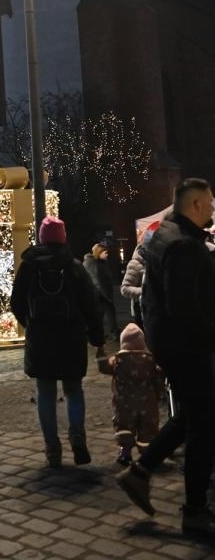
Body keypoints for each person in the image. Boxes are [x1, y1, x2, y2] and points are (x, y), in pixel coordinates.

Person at [116, 178, 215, 538]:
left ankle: (139, 473)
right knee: (204, 425)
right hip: (187, 346)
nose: (213, 207)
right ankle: (195, 510)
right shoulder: (183, 245)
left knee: (191, 415)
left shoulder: (165, 234)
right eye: (210, 202)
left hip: (170, 342)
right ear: (195, 205)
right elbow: (186, 307)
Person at [10, 215, 104, 467]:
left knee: (45, 393)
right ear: (63, 238)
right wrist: (97, 337)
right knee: (73, 390)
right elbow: (91, 305)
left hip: (41, 340)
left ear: (41, 238)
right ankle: (77, 436)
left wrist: (31, 324)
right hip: (71, 338)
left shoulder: (29, 267)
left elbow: (16, 302)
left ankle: (52, 448)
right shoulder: (74, 267)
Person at [99, 322, 164, 465]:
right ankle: (147, 453)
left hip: (124, 404)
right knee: (148, 428)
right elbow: (158, 379)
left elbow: (103, 367)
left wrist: (100, 352)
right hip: (148, 403)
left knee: (124, 427)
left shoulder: (117, 361)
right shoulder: (151, 361)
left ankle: (125, 452)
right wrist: (158, 394)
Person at [83, 241, 119, 339]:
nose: (107, 255)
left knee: (107, 312)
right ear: (99, 252)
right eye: (105, 253)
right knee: (100, 314)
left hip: (104, 292)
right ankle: (99, 334)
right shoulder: (91, 262)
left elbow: (106, 277)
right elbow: (97, 281)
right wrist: (106, 295)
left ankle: (110, 332)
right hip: (97, 294)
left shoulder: (102, 262)